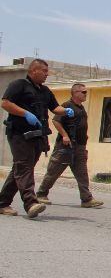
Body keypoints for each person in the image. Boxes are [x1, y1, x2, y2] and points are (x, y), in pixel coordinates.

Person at [0, 59, 75, 218]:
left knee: (20, 169)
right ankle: (31, 203)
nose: (47, 74)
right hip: (19, 134)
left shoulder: (45, 91)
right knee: (24, 167)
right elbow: (5, 103)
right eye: (44, 71)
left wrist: (66, 110)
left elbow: (55, 108)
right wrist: (25, 113)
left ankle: (3, 203)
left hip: (38, 135)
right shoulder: (19, 85)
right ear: (33, 70)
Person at [36, 83, 104, 208]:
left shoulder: (81, 108)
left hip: (80, 146)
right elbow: (56, 120)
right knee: (54, 171)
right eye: (83, 92)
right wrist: (64, 135)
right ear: (75, 93)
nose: (85, 94)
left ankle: (86, 199)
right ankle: (41, 194)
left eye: (86, 92)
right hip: (65, 146)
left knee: (82, 173)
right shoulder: (67, 106)